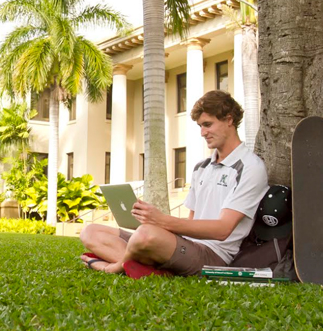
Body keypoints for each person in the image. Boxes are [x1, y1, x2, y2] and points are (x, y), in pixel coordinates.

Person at [80, 90, 269, 277]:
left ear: (229, 120)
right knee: (91, 231)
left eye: (208, 125)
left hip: (213, 254)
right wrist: (152, 219)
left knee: (145, 235)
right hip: (184, 244)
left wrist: (162, 221)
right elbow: (192, 222)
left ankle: (117, 266)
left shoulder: (250, 167)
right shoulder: (202, 168)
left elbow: (223, 230)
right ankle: (153, 268)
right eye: (200, 126)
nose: (203, 132)